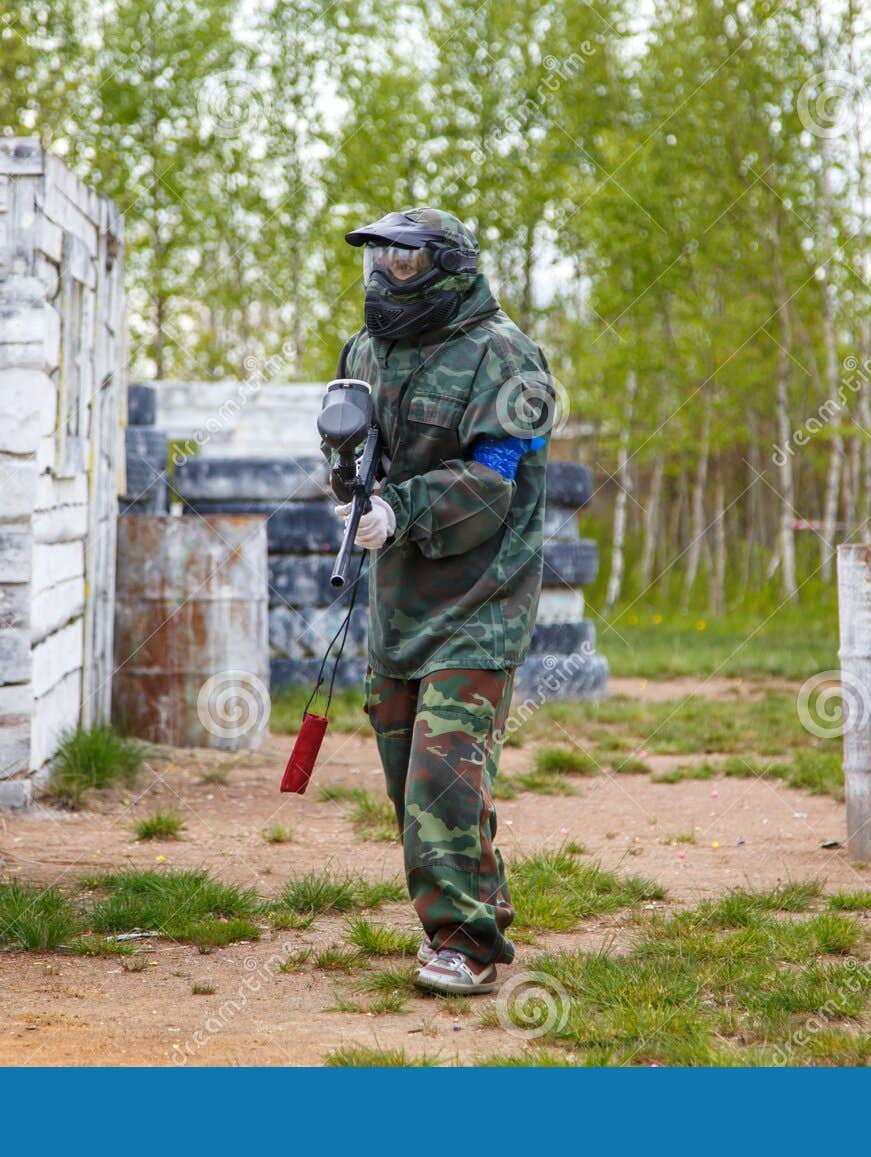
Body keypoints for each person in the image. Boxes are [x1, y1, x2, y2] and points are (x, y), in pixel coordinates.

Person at [329, 207, 555, 995]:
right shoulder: (367, 349)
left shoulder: (507, 356)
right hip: (400, 597)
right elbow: (351, 446)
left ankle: (463, 941)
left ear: (446, 267)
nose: (387, 274)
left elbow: (493, 484)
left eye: (404, 261)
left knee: (442, 776)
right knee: (407, 776)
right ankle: (478, 900)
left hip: (481, 596)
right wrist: (352, 486)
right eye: (379, 260)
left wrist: (402, 510)